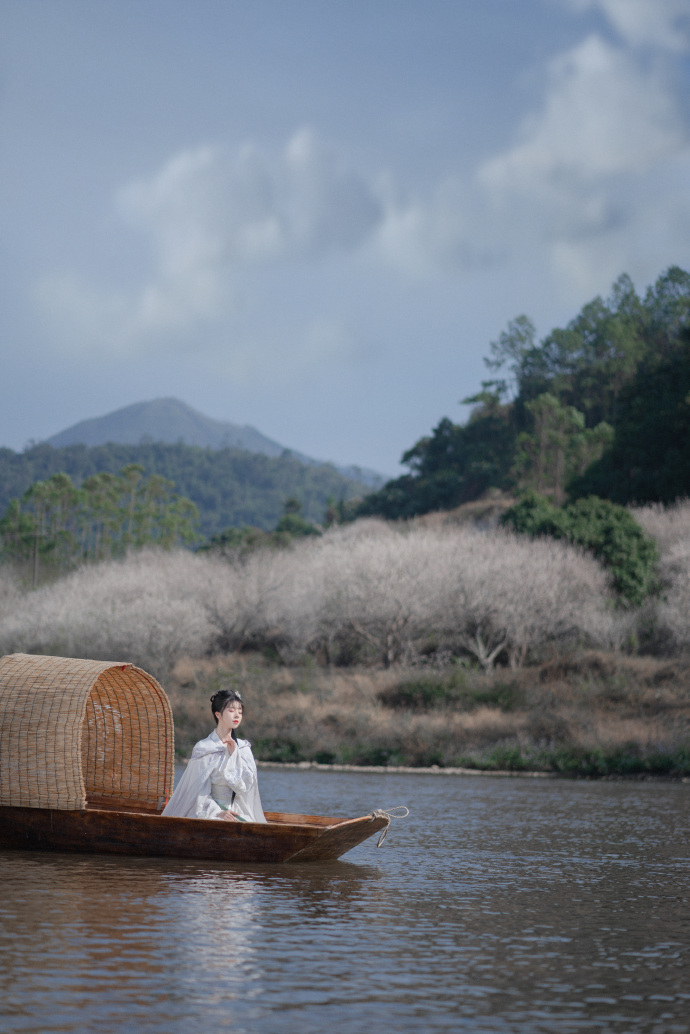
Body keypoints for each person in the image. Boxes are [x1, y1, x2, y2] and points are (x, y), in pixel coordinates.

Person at [162, 689, 266, 823]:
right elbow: (197, 792)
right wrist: (218, 812)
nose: (237, 715)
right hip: (210, 812)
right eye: (231, 710)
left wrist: (235, 755)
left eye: (240, 711)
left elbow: (244, 787)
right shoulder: (204, 748)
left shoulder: (243, 749)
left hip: (239, 812)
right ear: (218, 714)